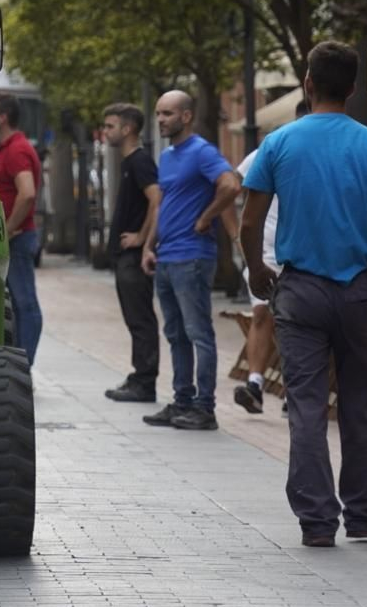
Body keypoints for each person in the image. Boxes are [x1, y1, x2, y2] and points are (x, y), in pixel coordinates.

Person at [241, 42, 367, 546]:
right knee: (362, 406)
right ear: (353, 88)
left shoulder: (278, 144)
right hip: (359, 294)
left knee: (306, 406)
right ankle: (364, 514)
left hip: (299, 293)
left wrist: (257, 268)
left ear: (307, 83)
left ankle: (317, 521)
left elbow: (251, 218)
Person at [140, 90, 241, 431]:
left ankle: (205, 407)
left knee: (198, 332)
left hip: (192, 257)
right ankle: (182, 401)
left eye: (167, 113)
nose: (160, 119)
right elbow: (163, 204)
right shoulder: (168, 156)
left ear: (186, 116)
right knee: (175, 333)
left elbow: (230, 185)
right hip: (166, 257)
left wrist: (206, 217)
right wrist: (149, 246)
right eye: (157, 113)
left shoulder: (202, 152)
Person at [232, 98, 310, 415]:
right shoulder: (274, 148)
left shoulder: (324, 153)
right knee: (262, 314)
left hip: (302, 249)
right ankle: (255, 384)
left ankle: (296, 390)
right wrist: (230, 229)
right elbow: (230, 184)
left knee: (296, 321)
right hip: (266, 248)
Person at [101, 102, 161, 402]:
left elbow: (156, 198)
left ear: (127, 129)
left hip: (133, 257)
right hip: (125, 255)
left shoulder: (139, 162)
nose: (105, 132)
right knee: (134, 317)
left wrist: (142, 239)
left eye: (110, 126)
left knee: (140, 318)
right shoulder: (130, 162)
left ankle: (145, 381)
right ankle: (139, 376)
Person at [0, 92, 43, 365]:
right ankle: (18, 365)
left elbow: (27, 193)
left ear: (3, 117)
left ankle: (24, 366)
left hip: (17, 240)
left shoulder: (17, 150)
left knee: (25, 305)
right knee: (15, 307)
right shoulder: (8, 148)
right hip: (14, 238)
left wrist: (7, 230)